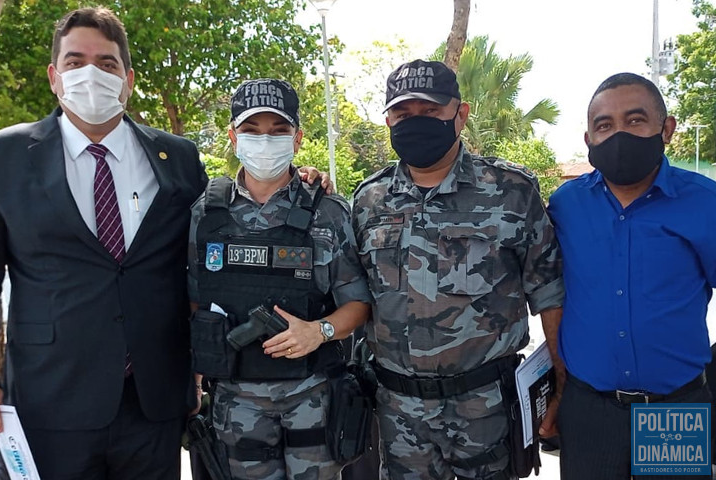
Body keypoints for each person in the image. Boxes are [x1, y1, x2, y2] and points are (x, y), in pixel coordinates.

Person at [0, 7, 209, 479]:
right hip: (49, 397)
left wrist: (298, 181)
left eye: (107, 64)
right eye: (75, 62)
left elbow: (210, 245)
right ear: (54, 76)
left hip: (153, 401)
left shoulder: (177, 158)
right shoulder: (5, 156)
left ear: (127, 79)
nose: (90, 73)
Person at [351, 59, 564, 480]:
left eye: (430, 111)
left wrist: (560, 383)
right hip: (398, 413)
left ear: (460, 114)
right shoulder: (368, 201)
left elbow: (549, 294)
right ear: (388, 119)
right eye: (402, 113)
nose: (416, 123)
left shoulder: (511, 192)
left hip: (485, 410)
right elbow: (353, 296)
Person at [187, 77, 371, 480]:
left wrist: (319, 330)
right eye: (251, 131)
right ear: (233, 138)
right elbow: (197, 302)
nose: (264, 141)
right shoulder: (206, 212)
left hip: (314, 397)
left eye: (278, 131)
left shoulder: (328, 211)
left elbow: (358, 303)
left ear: (298, 138)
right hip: (236, 403)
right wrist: (195, 379)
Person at [544, 72, 716, 480]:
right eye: (604, 125)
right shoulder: (566, 205)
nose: (618, 134)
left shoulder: (705, 204)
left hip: (676, 410)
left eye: (635, 120)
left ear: (666, 129)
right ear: (588, 140)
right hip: (590, 409)